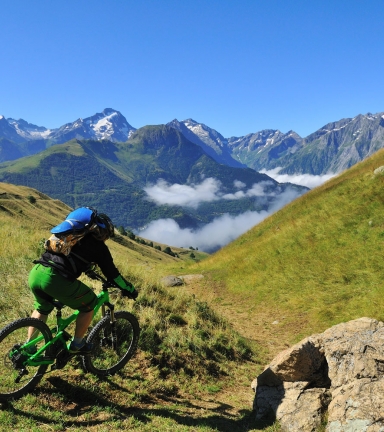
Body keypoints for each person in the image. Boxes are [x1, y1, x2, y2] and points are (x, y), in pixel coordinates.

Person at [27, 207, 138, 355]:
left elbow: (71, 257)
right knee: (90, 304)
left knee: (42, 308)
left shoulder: (68, 236)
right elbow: (113, 275)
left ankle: (28, 348)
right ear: (101, 232)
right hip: (56, 280)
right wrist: (129, 289)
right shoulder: (99, 247)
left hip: (37, 273)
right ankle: (78, 344)